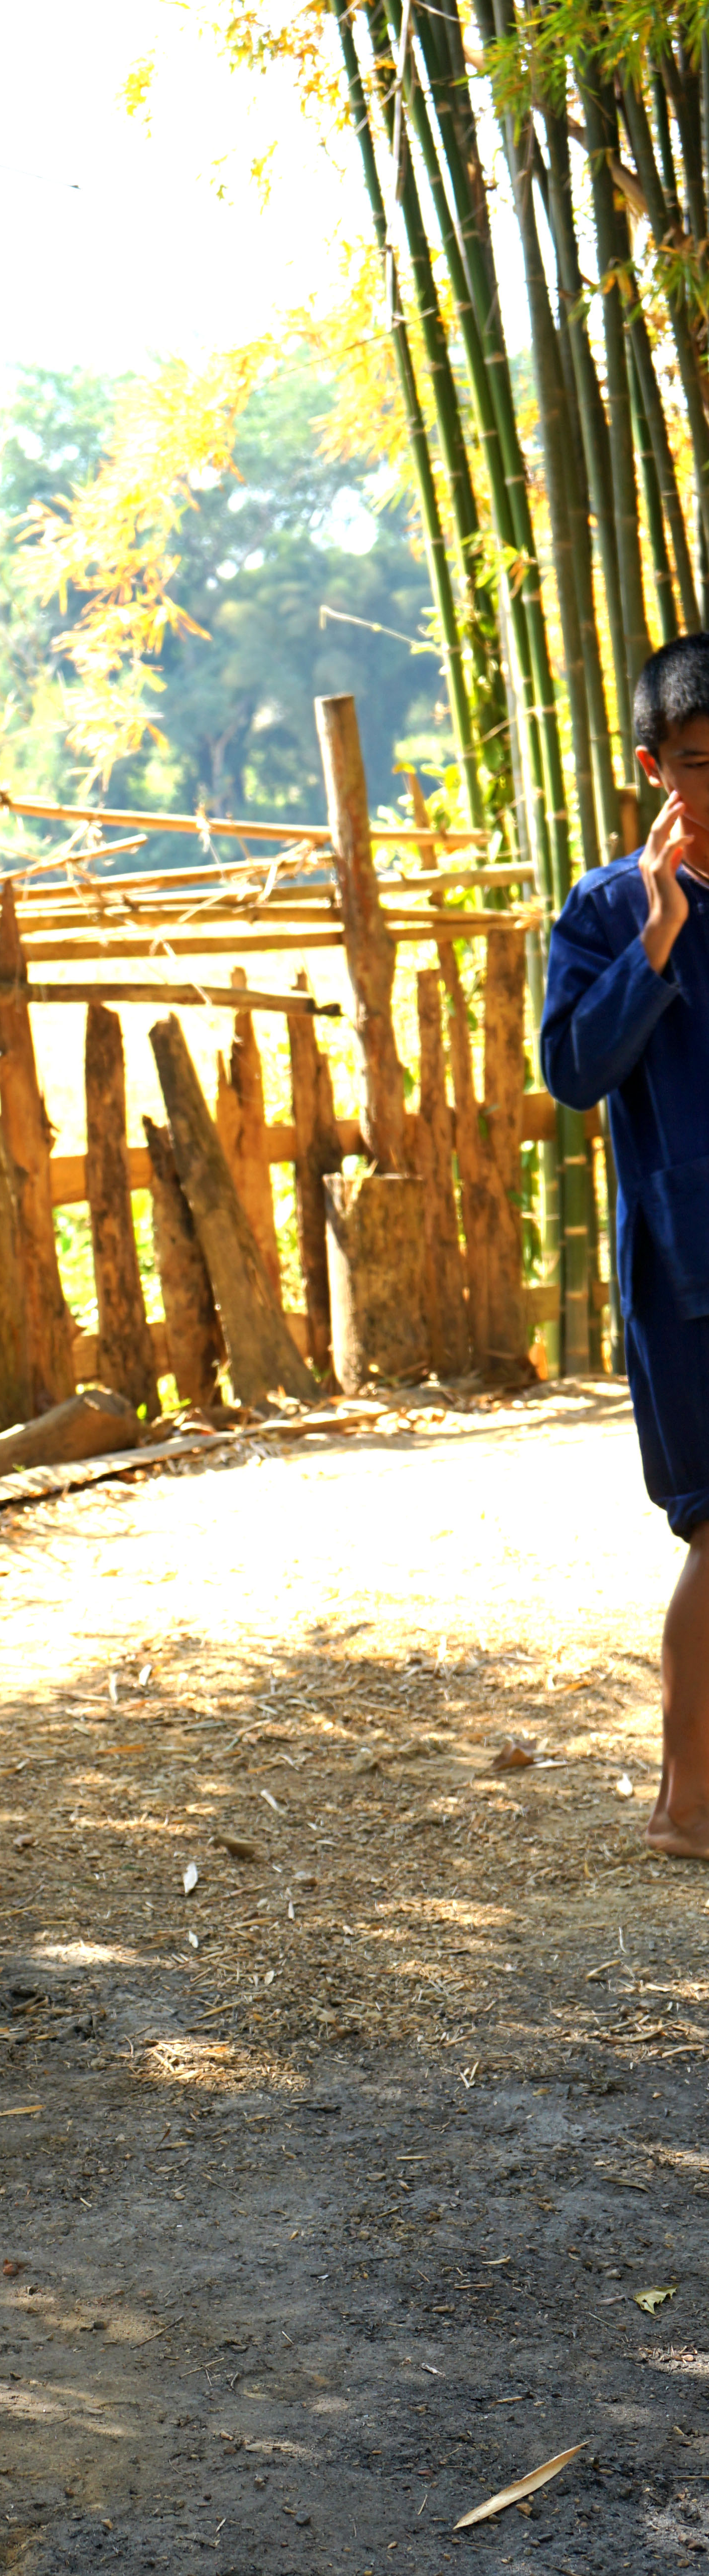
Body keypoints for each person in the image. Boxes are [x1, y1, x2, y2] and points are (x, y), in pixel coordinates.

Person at [542, 628, 709, 1859]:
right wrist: (653, 939)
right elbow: (571, 1070)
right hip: (687, 1269)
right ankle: (682, 1806)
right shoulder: (606, 909)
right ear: (653, 768)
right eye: (700, 761)